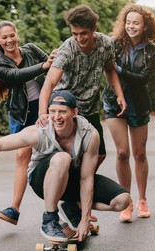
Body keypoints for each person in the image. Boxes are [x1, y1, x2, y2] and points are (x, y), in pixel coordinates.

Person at [0, 91, 131, 242]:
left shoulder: (89, 134)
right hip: (41, 180)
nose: (57, 117)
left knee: (122, 201)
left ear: (74, 113)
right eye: (52, 111)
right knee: (62, 158)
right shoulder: (39, 132)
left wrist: (85, 218)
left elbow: (86, 178)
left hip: (72, 180)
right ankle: (49, 219)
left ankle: (72, 204)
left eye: (62, 112)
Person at [37, 4, 127, 169]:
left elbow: (110, 70)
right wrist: (43, 113)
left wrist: (119, 94)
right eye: (75, 34)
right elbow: (49, 82)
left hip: (90, 106)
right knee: (70, 153)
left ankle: (82, 182)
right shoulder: (67, 49)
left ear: (94, 29)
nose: (79, 39)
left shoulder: (105, 44)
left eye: (83, 33)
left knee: (99, 154)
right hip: (66, 106)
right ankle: (70, 183)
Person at [102, 4, 155, 222]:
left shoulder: (153, 51)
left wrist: (119, 69)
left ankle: (143, 199)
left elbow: (142, 79)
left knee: (139, 153)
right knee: (122, 153)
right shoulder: (114, 45)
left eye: (136, 23)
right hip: (113, 104)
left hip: (138, 105)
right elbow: (106, 69)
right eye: (128, 22)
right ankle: (126, 202)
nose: (131, 26)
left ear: (145, 25)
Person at [0, 20, 57, 225]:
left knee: (57, 154)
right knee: (22, 157)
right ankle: (14, 209)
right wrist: (43, 66)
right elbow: (18, 76)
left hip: (43, 107)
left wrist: (53, 59)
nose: (10, 40)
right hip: (20, 114)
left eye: (12, 35)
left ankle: (73, 205)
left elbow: (52, 66)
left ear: (17, 34)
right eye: (4, 37)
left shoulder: (31, 50)